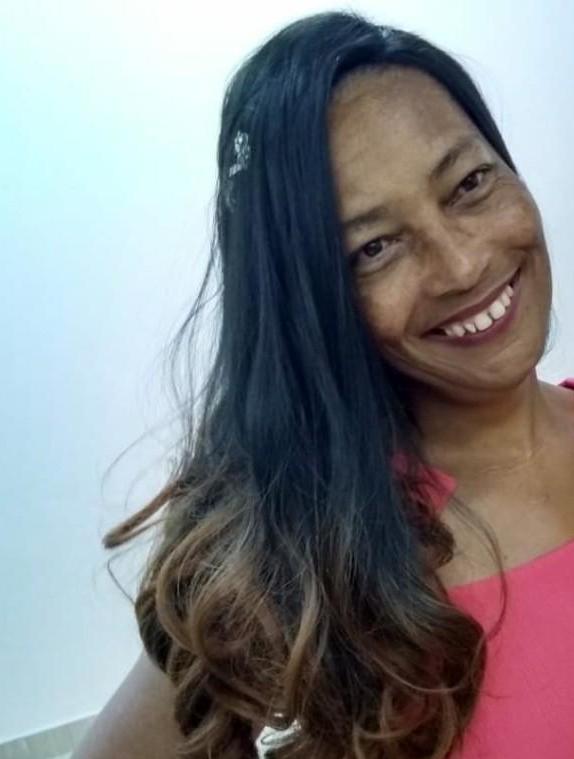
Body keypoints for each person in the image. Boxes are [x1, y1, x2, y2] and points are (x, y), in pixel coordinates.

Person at [72, 9, 574, 759]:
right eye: (374, 248)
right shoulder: (305, 561)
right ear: (312, 300)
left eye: (469, 183)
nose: (463, 264)